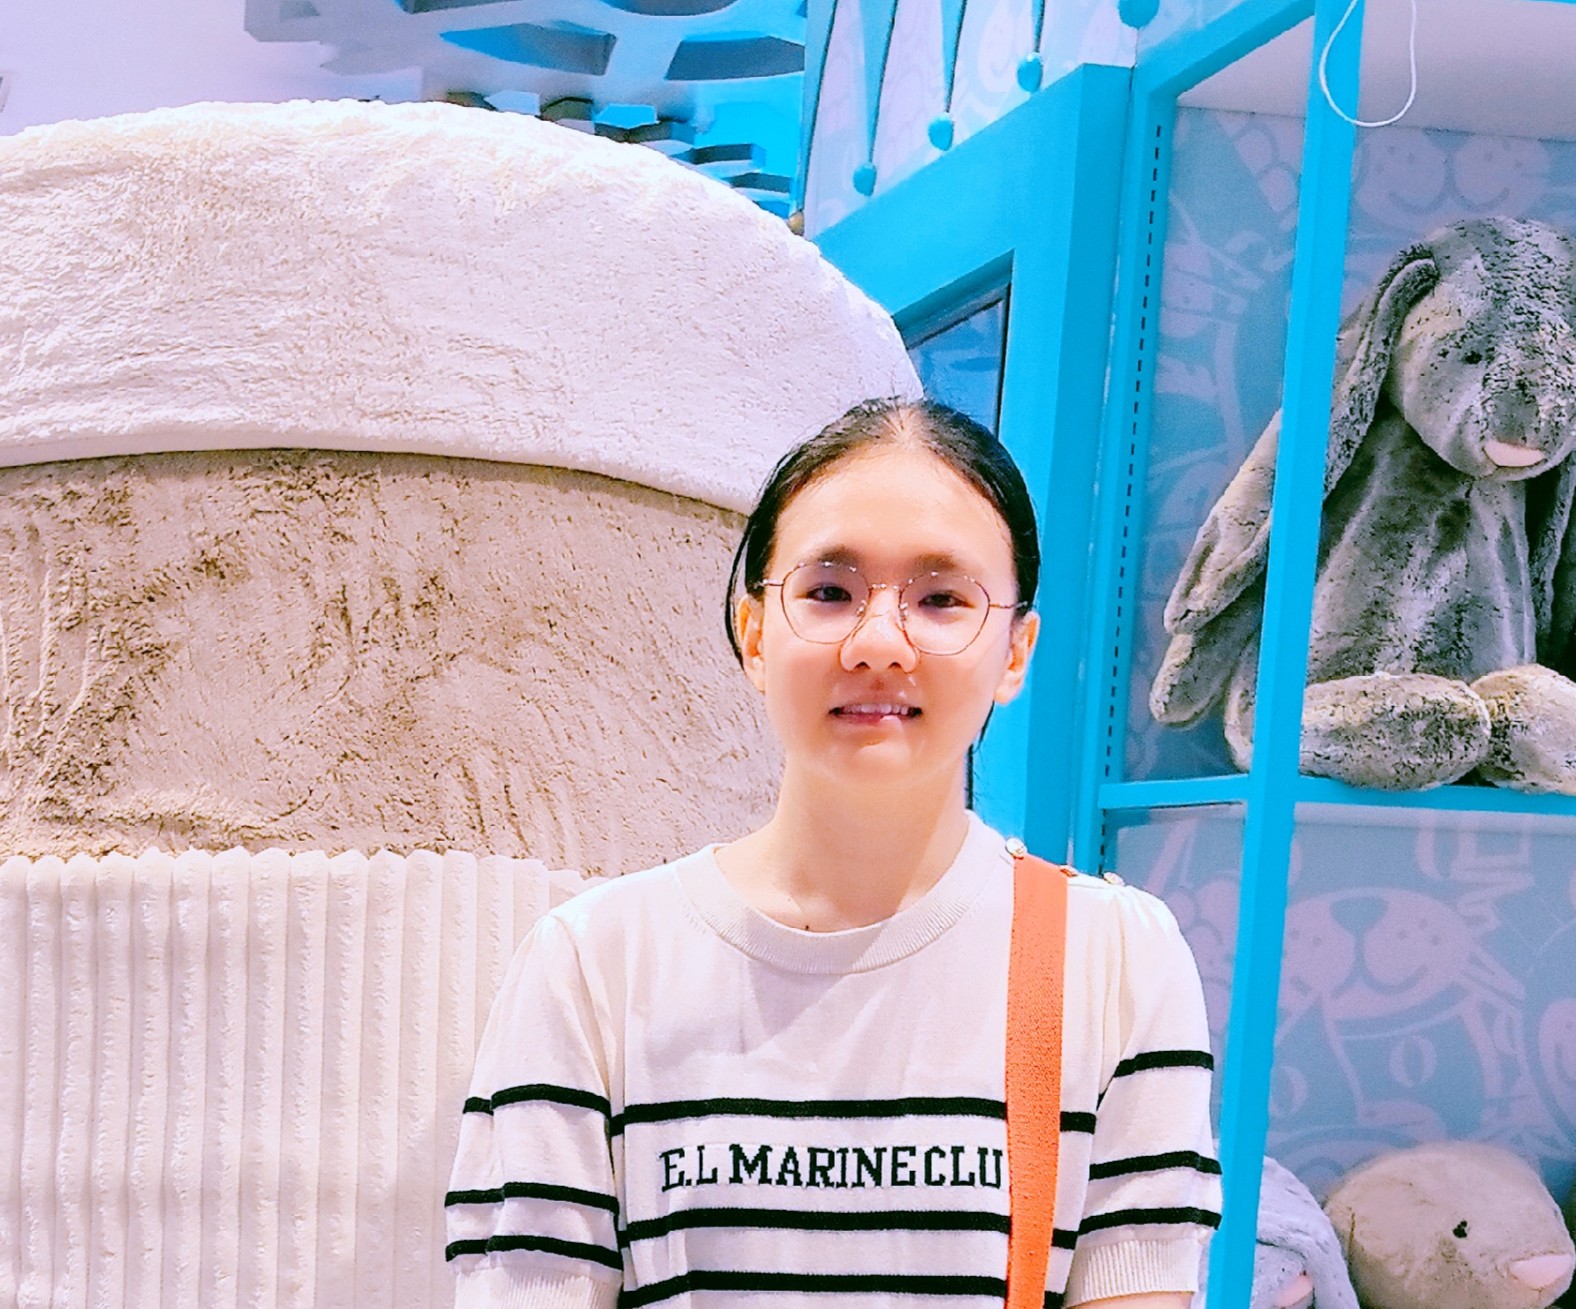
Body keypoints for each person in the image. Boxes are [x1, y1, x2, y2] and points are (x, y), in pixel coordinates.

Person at [445, 398, 1222, 1308]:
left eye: (941, 598)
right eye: (828, 592)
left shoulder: (1118, 960)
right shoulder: (591, 965)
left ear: (1015, 651)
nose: (879, 642)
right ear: (754, 633)